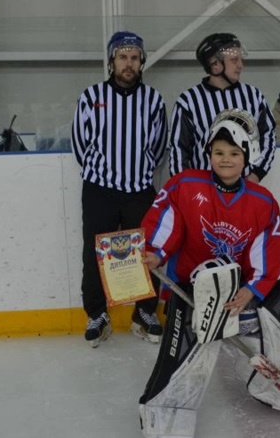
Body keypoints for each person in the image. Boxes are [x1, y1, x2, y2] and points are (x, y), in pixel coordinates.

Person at [138, 109, 280, 438]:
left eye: (234, 153)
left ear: (247, 156)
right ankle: (168, 408)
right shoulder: (185, 185)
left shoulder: (263, 203)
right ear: (208, 155)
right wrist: (155, 253)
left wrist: (254, 291)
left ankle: (271, 384)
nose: (225, 160)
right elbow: (164, 224)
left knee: (270, 321)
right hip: (190, 293)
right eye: (218, 152)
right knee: (191, 354)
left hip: (237, 294)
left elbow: (267, 253)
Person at [71, 31, 168, 348]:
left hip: (139, 189)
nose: (129, 63)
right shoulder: (91, 96)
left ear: (142, 62)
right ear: (112, 61)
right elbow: (80, 144)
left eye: (135, 58)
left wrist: (134, 172)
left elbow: (157, 147)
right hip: (99, 189)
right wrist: (104, 172)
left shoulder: (153, 100)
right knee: (94, 251)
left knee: (144, 251)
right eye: (123, 57)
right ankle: (97, 314)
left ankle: (144, 312)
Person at [169, 33, 277, 183]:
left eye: (240, 59)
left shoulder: (254, 96)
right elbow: (179, 150)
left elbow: (268, 135)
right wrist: (185, 187)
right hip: (204, 189)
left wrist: (256, 174)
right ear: (215, 65)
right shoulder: (188, 101)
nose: (241, 65)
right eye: (234, 60)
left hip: (243, 188)